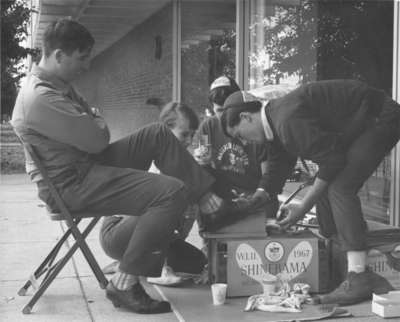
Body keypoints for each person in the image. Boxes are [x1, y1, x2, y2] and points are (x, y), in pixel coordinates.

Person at [11, 19, 223, 315]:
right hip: (72, 184)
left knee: (158, 133)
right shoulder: (41, 97)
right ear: (58, 55)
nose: (86, 66)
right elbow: (98, 137)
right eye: (81, 58)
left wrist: (92, 117)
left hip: (84, 166)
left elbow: (93, 125)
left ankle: (205, 194)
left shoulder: (56, 86)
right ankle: (125, 283)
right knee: (171, 192)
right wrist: (94, 117)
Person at [220, 79, 400, 305]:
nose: (243, 141)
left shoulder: (286, 121)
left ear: (246, 117)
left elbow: (333, 161)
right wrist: (257, 198)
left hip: (380, 117)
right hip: (357, 124)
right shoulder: (274, 125)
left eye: (239, 135)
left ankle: (359, 276)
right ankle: (364, 261)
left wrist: (302, 207)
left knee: (339, 187)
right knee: (326, 204)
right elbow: (276, 169)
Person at [100, 102, 206, 287]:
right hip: (117, 233)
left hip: (147, 235)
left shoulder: (181, 164)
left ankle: (127, 263)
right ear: (165, 130)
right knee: (172, 200)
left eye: (192, 135)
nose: (189, 140)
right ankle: (154, 267)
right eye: (184, 134)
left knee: (198, 262)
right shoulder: (155, 164)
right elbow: (150, 218)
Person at [194, 76, 277, 231]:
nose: (224, 116)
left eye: (227, 110)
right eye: (219, 111)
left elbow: (269, 179)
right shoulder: (208, 127)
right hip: (225, 199)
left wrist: (255, 199)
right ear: (212, 108)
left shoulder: (254, 127)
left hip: (255, 196)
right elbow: (200, 164)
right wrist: (202, 160)